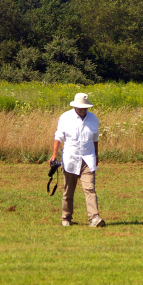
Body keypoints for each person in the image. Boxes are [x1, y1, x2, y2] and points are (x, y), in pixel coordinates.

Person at [50, 93, 105, 228]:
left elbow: (95, 139)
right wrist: (54, 155)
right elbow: (58, 136)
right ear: (75, 106)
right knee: (68, 191)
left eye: (85, 107)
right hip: (70, 159)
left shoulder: (93, 119)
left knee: (90, 189)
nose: (82, 109)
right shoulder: (65, 117)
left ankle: (94, 218)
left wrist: (96, 156)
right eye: (80, 107)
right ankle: (66, 217)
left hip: (88, 159)